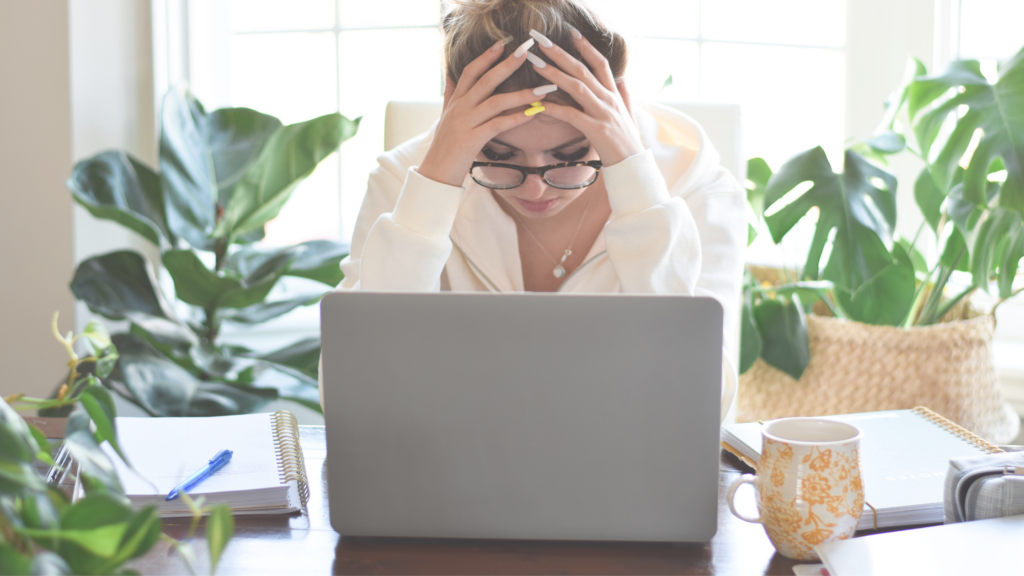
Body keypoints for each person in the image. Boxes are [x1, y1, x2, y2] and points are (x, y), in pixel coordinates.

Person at [323, 0, 746, 413]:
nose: (536, 192)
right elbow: (351, 397)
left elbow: (704, 402)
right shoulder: (404, 183)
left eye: (569, 157)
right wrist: (434, 186)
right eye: (499, 156)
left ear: (620, 109)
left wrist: (635, 183)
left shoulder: (697, 190)